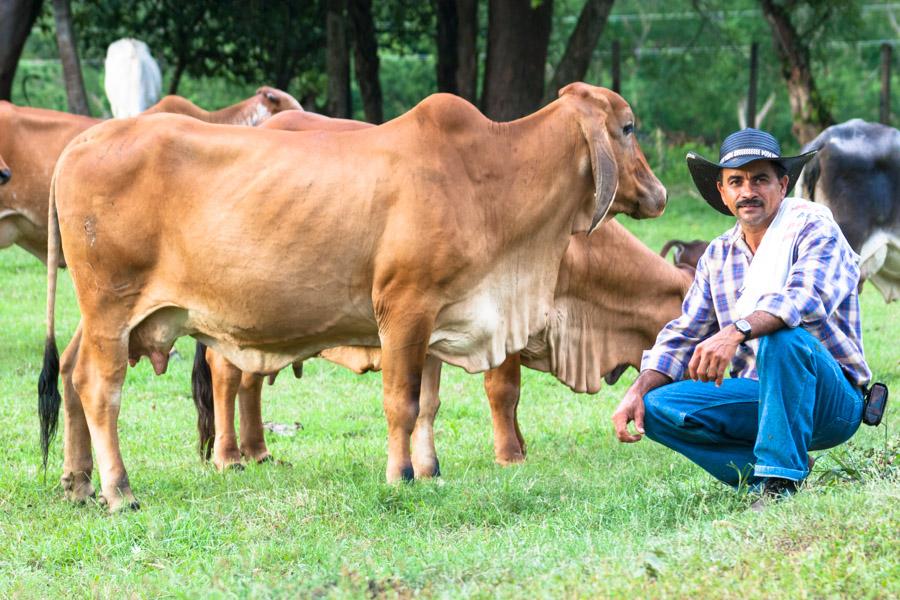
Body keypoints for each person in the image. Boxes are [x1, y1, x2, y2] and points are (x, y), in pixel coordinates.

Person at [611, 128, 871, 508]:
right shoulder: (717, 256)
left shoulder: (813, 227)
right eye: (736, 181)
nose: (748, 190)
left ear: (783, 186)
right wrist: (637, 390)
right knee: (653, 408)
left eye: (760, 179)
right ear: (722, 191)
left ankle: (779, 483)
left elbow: (804, 298)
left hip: (831, 400)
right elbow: (684, 335)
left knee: (784, 336)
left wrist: (735, 331)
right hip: (762, 396)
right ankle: (778, 466)